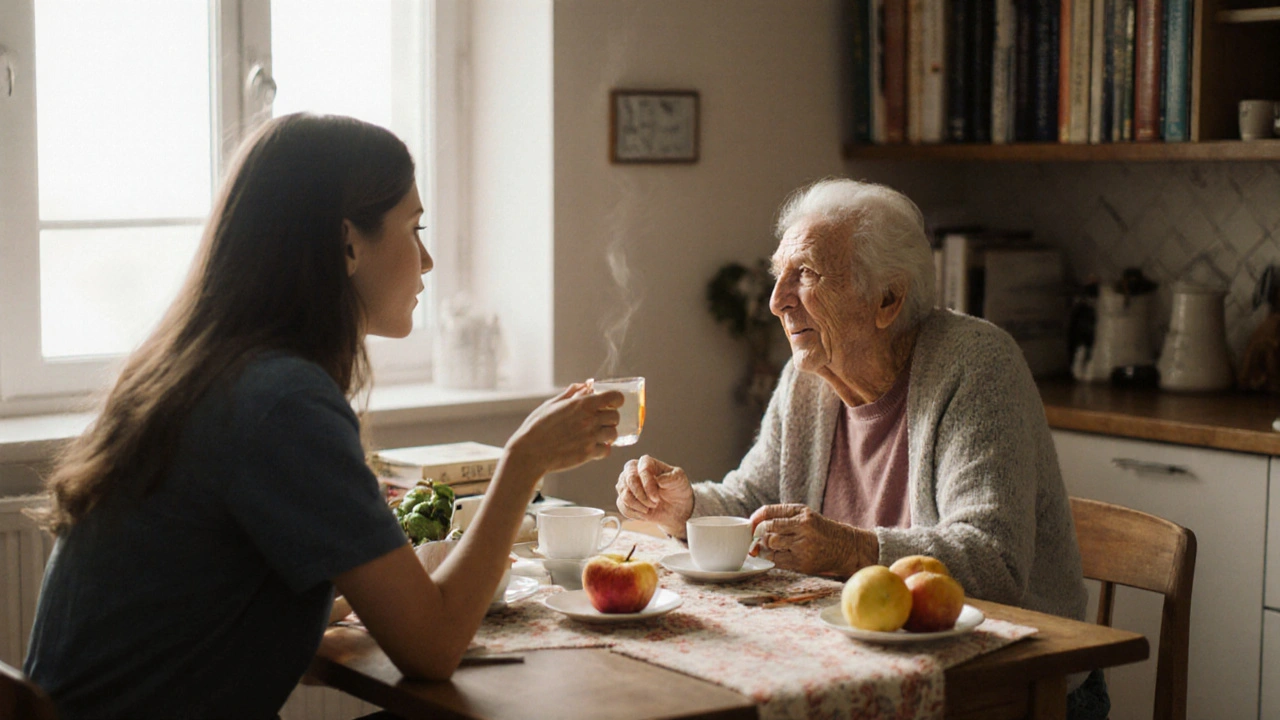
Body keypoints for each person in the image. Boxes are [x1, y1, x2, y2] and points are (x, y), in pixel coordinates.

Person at [23, 113, 623, 719]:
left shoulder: (194, 373)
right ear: (347, 243)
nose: (427, 260)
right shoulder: (280, 401)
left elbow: (214, 601)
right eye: (413, 229)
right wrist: (523, 462)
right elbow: (434, 649)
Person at [615, 178, 1107, 717]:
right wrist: (685, 509)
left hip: (1011, 682)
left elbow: (994, 561)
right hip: (870, 666)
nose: (778, 301)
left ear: (888, 300)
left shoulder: (977, 366)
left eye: (805, 274)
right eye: (779, 275)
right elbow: (754, 499)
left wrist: (850, 550)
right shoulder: (807, 379)